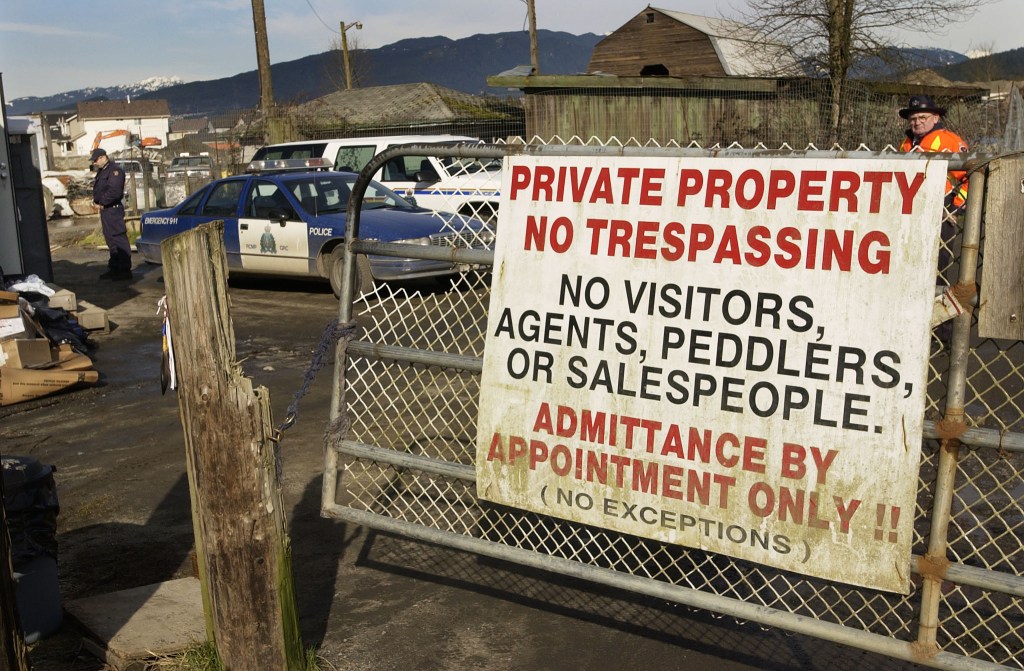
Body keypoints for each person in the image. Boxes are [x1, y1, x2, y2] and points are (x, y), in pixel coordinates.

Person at [898, 94, 969, 211]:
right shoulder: (905, 143)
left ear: (935, 118)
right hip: (909, 204)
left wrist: (956, 205)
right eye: (913, 119)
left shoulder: (949, 140)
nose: (917, 122)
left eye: (923, 117)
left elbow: (971, 175)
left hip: (940, 204)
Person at [90, 147, 132, 281]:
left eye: (96, 160)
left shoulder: (115, 171)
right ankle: (115, 268)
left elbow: (114, 191)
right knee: (111, 240)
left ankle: (124, 270)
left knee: (118, 238)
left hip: (112, 210)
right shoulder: (103, 171)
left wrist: (101, 202)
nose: (95, 163)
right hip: (106, 211)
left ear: (103, 157)